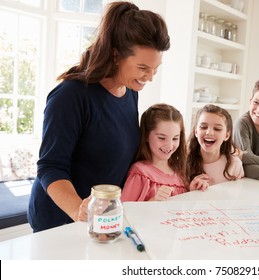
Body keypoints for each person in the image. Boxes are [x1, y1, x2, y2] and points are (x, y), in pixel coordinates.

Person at [28, 2, 170, 232]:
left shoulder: (130, 91)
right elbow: (50, 167)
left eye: (155, 68)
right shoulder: (70, 96)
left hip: (104, 218)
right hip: (61, 220)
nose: (150, 77)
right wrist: (78, 209)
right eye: (143, 67)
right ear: (116, 55)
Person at [121, 103, 188, 201]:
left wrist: (194, 190)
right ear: (146, 136)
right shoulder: (140, 172)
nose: (169, 145)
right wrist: (153, 200)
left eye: (175, 138)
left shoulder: (180, 172)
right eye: (161, 138)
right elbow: (125, 210)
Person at [187, 104, 244, 189]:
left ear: (227, 136)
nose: (209, 132)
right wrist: (191, 189)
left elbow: (238, 196)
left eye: (217, 129)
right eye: (203, 127)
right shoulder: (184, 163)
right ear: (196, 132)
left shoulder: (234, 164)